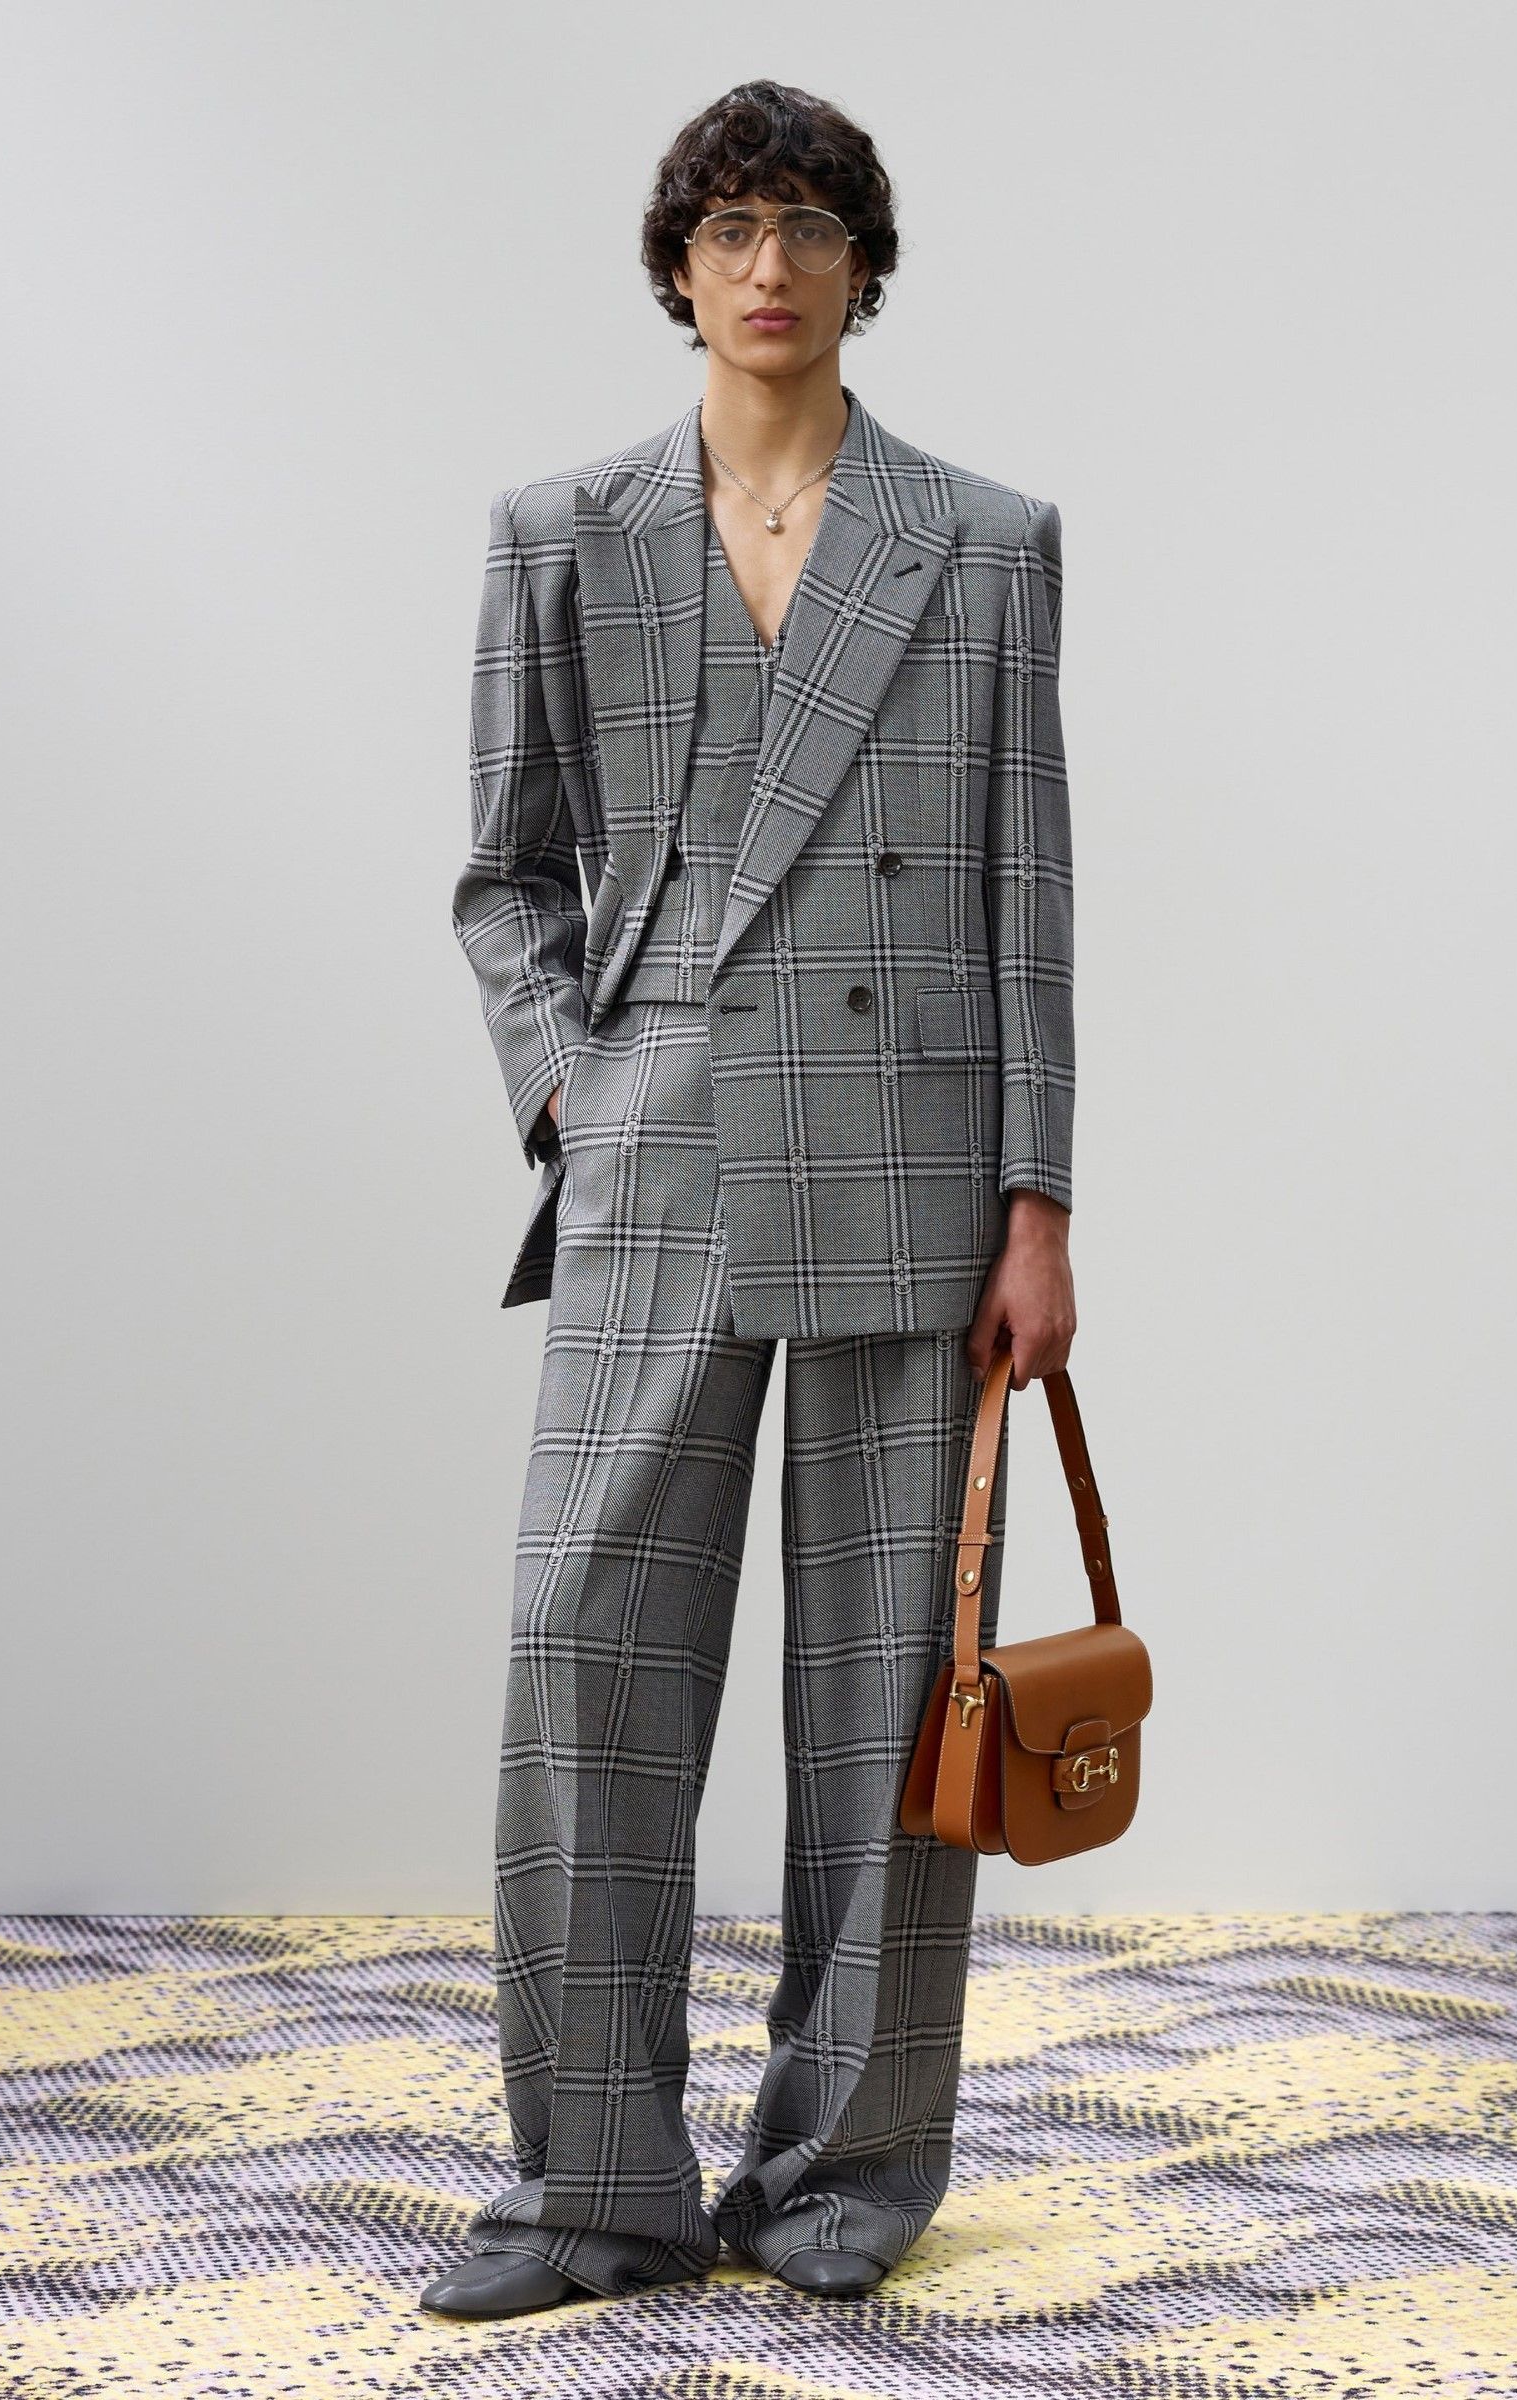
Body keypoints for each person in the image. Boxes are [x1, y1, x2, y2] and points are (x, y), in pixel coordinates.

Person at [426, 78, 1076, 2319]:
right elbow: (504, 877)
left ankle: (842, 2178)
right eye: (729, 228)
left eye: (807, 225)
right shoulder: (562, 532)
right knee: (580, 1649)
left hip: (915, 1145)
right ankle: (591, 2186)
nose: (768, 264)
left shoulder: (982, 541)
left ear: (861, 265)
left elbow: (1025, 897)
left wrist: (1038, 1204)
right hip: (659, 1143)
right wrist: (570, 1096)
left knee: (888, 1681)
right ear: (678, 267)